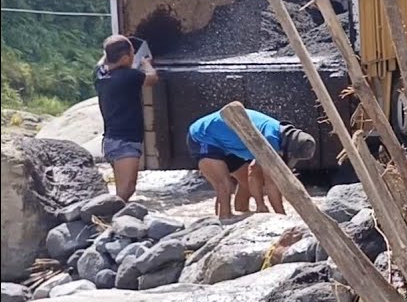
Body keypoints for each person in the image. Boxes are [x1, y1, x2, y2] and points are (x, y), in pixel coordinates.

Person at [187, 108, 317, 218]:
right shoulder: (270, 140)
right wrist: (280, 216)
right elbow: (271, 182)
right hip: (203, 136)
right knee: (225, 185)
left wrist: (261, 204)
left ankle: (242, 211)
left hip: (227, 141)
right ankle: (223, 221)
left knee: (247, 183)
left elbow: (253, 170)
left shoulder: (281, 133)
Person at [95, 35, 158, 202]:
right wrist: (146, 63)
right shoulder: (130, 76)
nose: (133, 56)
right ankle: (107, 217)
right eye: (131, 53)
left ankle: (116, 219)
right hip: (126, 141)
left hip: (111, 141)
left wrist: (116, 43)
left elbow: (102, 61)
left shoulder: (100, 74)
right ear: (124, 58)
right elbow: (152, 78)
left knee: (121, 189)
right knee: (127, 189)